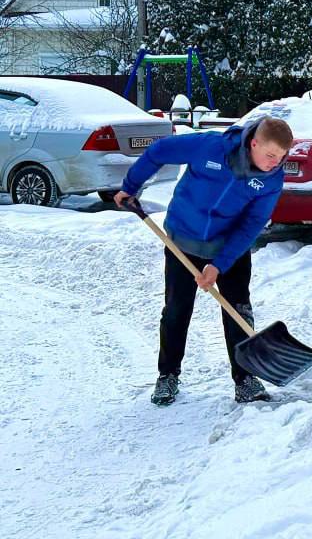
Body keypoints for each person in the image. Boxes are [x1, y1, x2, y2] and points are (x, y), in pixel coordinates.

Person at [115, 115, 293, 405]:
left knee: (238, 310)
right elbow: (159, 151)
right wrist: (130, 186)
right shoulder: (210, 147)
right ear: (254, 142)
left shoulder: (272, 178)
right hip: (183, 238)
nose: (275, 162)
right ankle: (167, 375)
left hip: (229, 246)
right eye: (271, 155)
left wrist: (218, 264)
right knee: (176, 309)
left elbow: (253, 223)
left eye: (282, 157)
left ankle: (245, 378)